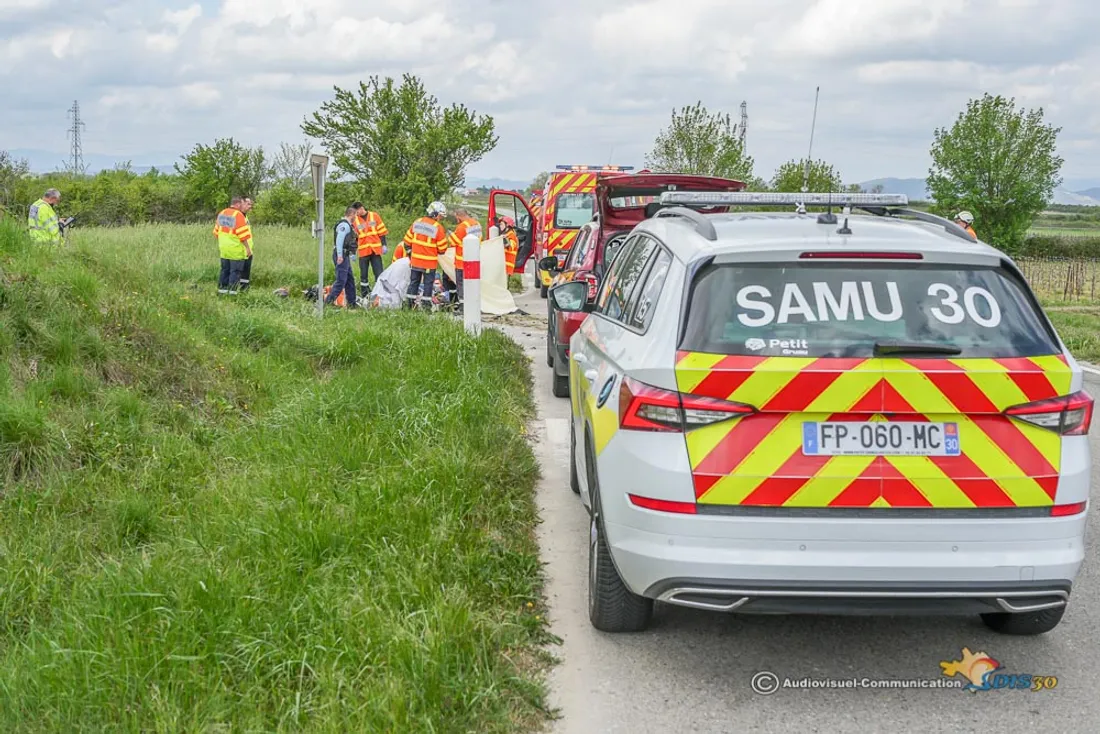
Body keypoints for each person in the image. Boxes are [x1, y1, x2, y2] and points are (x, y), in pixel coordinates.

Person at [402, 201, 449, 310]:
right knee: (428, 285)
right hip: (429, 263)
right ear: (435, 214)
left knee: (413, 283)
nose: (440, 218)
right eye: (440, 216)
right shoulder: (438, 227)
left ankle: (409, 305)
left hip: (415, 261)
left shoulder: (417, 222)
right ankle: (426, 306)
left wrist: (411, 253)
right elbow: (442, 249)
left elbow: (407, 242)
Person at [213, 196, 254, 295]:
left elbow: (216, 232)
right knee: (235, 272)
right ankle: (232, 294)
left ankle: (221, 292)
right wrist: (248, 249)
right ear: (238, 204)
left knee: (224, 271)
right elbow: (243, 236)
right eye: (242, 203)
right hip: (236, 249)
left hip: (224, 249)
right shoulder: (238, 215)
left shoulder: (222, 213)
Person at [325, 206, 359, 309]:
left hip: (345, 255)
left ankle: (352, 303)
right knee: (341, 280)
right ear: (351, 214)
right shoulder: (344, 225)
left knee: (350, 280)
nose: (356, 217)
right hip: (341, 255)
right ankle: (327, 303)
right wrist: (340, 255)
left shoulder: (349, 225)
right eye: (356, 215)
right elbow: (339, 240)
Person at [446, 208, 482, 305]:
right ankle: (472, 304)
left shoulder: (462, 226)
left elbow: (454, 242)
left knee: (461, 285)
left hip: (462, 262)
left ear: (459, 215)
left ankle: (463, 305)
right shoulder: (476, 224)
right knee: (472, 285)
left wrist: (450, 235)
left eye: (456, 217)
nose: (456, 219)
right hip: (474, 260)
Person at [352, 201, 388, 298]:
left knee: (379, 273)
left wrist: (384, 245)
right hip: (363, 252)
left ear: (361, 208)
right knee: (364, 275)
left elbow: (381, 232)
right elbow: (354, 238)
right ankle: (365, 295)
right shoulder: (355, 221)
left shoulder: (374, 216)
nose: (356, 214)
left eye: (357, 211)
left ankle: (379, 294)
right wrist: (353, 252)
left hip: (375, 250)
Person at [238, 196, 255, 291]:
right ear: (242, 203)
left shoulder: (245, 216)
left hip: (248, 250)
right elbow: (241, 235)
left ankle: (244, 289)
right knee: (239, 272)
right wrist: (247, 248)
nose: (250, 206)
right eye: (248, 204)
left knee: (246, 273)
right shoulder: (238, 216)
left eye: (251, 204)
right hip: (241, 250)